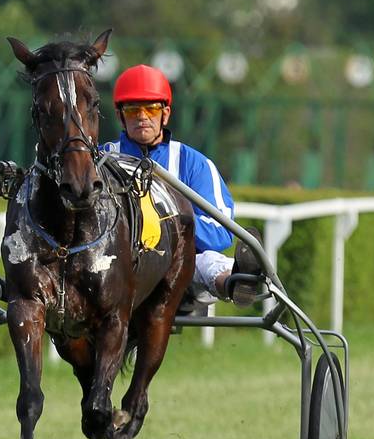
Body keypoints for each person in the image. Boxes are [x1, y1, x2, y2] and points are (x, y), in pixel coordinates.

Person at [100, 64, 260, 306]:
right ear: (120, 115)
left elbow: (221, 231)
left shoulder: (193, 163)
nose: (142, 117)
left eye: (151, 109)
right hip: (113, 266)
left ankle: (233, 281)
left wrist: (171, 229)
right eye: (133, 110)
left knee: (208, 261)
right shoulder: (101, 160)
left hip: (175, 269)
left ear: (165, 113)